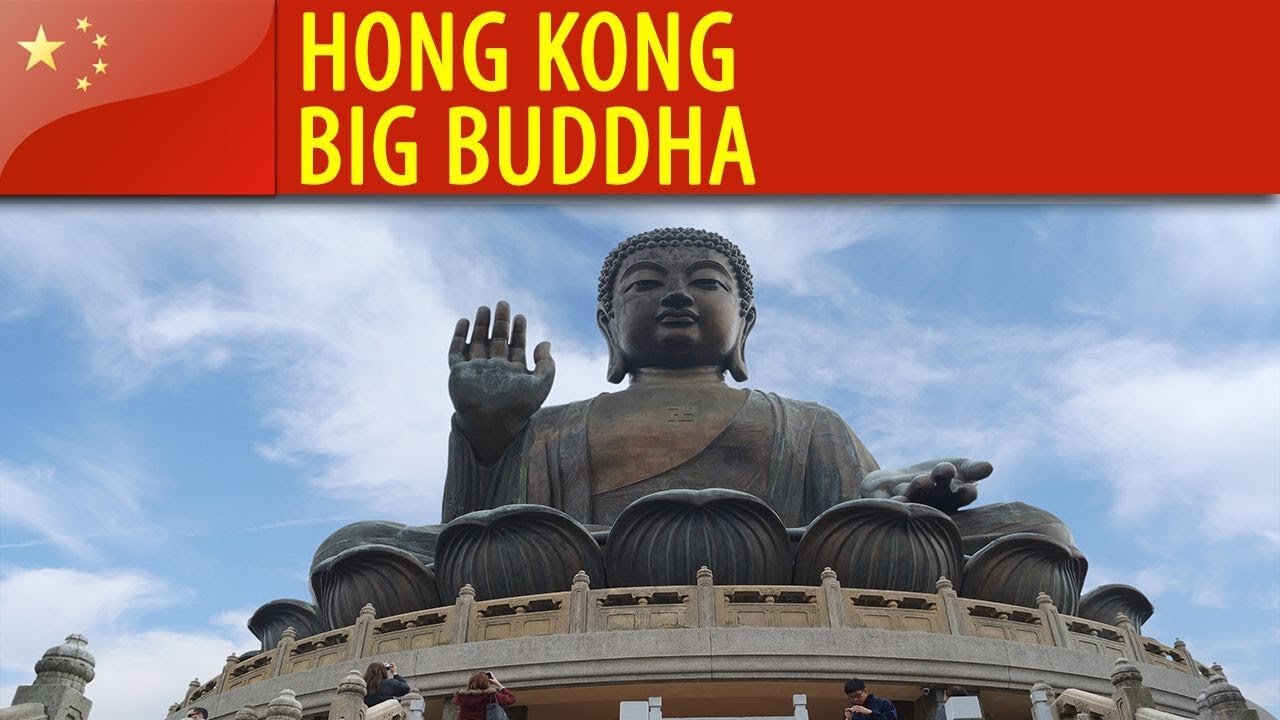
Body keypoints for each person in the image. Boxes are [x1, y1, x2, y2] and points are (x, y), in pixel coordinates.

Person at [442, 227, 995, 529]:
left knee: (1031, 529)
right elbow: (473, 537)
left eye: (706, 282)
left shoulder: (809, 425)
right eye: (645, 286)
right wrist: (488, 434)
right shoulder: (548, 429)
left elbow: (848, 525)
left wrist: (889, 503)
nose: (678, 295)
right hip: (579, 574)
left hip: (778, 577)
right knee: (359, 543)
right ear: (608, 325)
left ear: (744, 324)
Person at [452, 671, 516, 720]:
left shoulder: (462, 698)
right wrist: (498, 684)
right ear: (487, 683)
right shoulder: (491, 696)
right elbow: (511, 699)